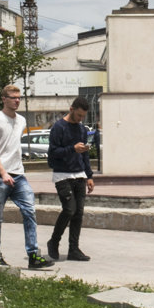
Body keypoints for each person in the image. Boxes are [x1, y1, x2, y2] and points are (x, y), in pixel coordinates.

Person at [0, 85, 55, 269]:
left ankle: (33, 255)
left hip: (18, 175)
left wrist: (13, 172)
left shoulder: (22, 120)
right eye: (12, 97)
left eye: (18, 97)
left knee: (29, 210)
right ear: (4, 99)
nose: (16, 100)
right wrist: (3, 172)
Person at [46, 96, 96, 262]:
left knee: (78, 213)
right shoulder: (58, 128)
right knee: (69, 209)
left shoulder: (81, 129)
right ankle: (53, 242)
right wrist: (72, 149)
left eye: (83, 116)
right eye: (78, 115)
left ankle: (73, 249)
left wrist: (89, 176)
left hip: (79, 175)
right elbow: (52, 155)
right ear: (71, 110)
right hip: (62, 175)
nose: (80, 119)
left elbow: (85, 155)